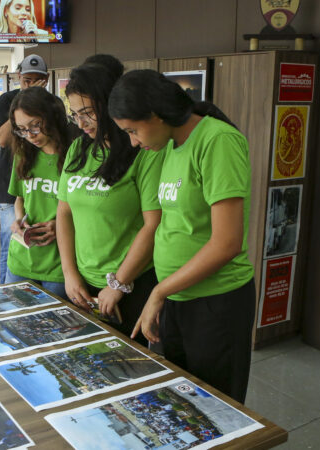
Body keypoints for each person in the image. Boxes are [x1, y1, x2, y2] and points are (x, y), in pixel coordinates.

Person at [108, 69, 255, 403]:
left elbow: (227, 243)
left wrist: (159, 291)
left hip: (215, 303)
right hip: (176, 296)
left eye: (133, 130)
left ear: (156, 115)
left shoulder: (217, 141)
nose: (133, 141)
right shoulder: (169, 146)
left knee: (215, 407)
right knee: (176, 401)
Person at [56, 63, 163, 347]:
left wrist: (118, 284)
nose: (81, 124)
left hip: (130, 285)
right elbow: (64, 212)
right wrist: (70, 275)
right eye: (75, 114)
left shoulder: (143, 150)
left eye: (88, 113)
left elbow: (154, 224)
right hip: (83, 285)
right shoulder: (79, 149)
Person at [4, 86, 71, 299]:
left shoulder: (75, 155)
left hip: (58, 265)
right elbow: (19, 199)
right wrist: (18, 220)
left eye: (35, 125)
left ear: (50, 116)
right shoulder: (24, 154)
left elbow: (85, 210)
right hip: (21, 260)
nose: (30, 135)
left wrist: (58, 225)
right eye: (22, 129)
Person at [0, 54, 48, 284]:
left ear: (45, 81)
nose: (30, 84)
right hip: (11, 185)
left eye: (36, 80)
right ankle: (5, 294)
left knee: (36, 241)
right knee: (11, 240)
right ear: (18, 78)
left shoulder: (48, 105)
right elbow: (3, 139)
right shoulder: (7, 101)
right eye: (27, 80)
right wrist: (23, 101)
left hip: (41, 186)